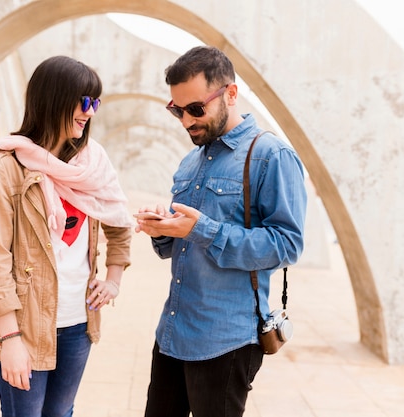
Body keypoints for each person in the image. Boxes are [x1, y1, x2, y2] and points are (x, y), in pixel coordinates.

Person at [134, 46, 307, 417]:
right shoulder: (190, 160)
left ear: (231, 94)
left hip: (226, 340)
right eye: (176, 110)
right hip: (172, 332)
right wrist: (162, 229)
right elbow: (176, 246)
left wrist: (204, 230)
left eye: (196, 109)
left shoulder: (270, 156)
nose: (185, 121)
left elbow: (288, 244)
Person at [0, 55, 132, 417]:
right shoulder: (7, 167)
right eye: (84, 102)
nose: (91, 112)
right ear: (53, 99)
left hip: (78, 323)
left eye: (95, 102)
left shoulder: (91, 163)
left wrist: (113, 280)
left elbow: (119, 222)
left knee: (62, 413)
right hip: (24, 328)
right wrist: (9, 338)